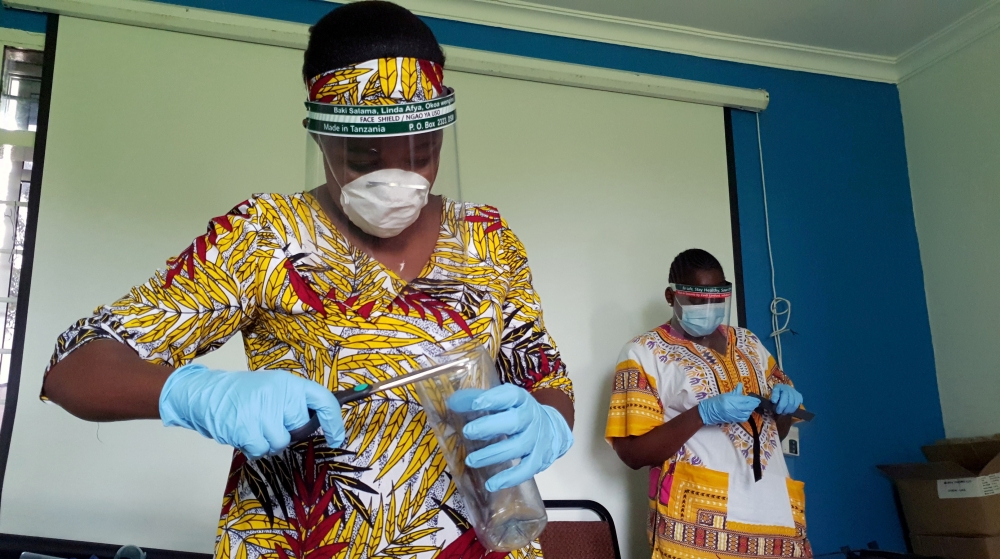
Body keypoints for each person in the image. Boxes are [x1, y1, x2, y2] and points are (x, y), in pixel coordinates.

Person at [41, 3, 574, 558]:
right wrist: (193, 394)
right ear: (319, 137)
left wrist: (548, 423)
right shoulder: (265, 236)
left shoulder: (488, 238)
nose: (397, 180)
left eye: (422, 151)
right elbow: (73, 371)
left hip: (482, 542)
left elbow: (545, 374)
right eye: (364, 156)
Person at [605, 248, 810, 559]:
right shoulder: (643, 352)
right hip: (697, 529)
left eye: (716, 300)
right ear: (670, 296)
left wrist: (783, 409)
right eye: (696, 300)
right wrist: (703, 413)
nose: (708, 308)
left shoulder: (750, 345)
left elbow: (769, 436)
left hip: (774, 523)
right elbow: (633, 453)